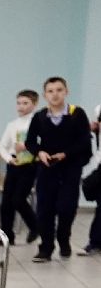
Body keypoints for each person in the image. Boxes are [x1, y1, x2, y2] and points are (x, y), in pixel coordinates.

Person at [24, 76, 92, 262]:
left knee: (66, 207)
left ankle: (64, 239)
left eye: (59, 90)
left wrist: (66, 154)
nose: (55, 94)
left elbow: (84, 141)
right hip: (47, 169)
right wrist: (40, 152)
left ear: (66, 92)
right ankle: (46, 247)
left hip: (70, 169)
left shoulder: (77, 114)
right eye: (50, 91)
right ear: (45, 95)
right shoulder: (40, 117)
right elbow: (30, 141)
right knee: (44, 209)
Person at [0, 89, 40, 247]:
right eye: (19, 103)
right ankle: (7, 236)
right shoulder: (12, 125)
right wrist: (9, 159)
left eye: (25, 103)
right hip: (14, 164)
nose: (21, 106)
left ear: (34, 104)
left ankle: (35, 226)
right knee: (6, 202)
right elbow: (2, 146)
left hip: (30, 165)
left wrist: (28, 147)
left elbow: (42, 145)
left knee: (18, 199)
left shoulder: (38, 123)